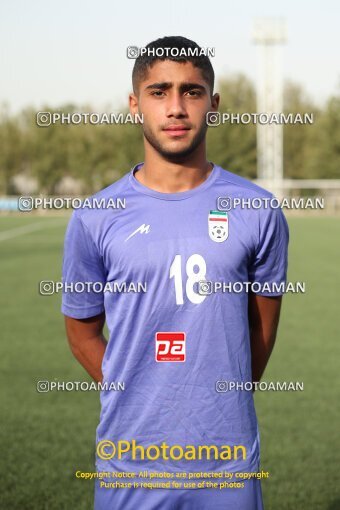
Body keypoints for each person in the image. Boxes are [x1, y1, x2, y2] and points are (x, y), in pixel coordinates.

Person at [62, 35, 289, 510]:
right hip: (131, 458)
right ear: (134, 104)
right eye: (159, 91)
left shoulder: (257, 210)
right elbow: (82, 333)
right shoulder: (95, 216)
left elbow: (260, 329)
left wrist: (217, 400)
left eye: (191, 91)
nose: (176, 107)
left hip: (227, 461)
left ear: (214, 103)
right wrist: (141, 389)